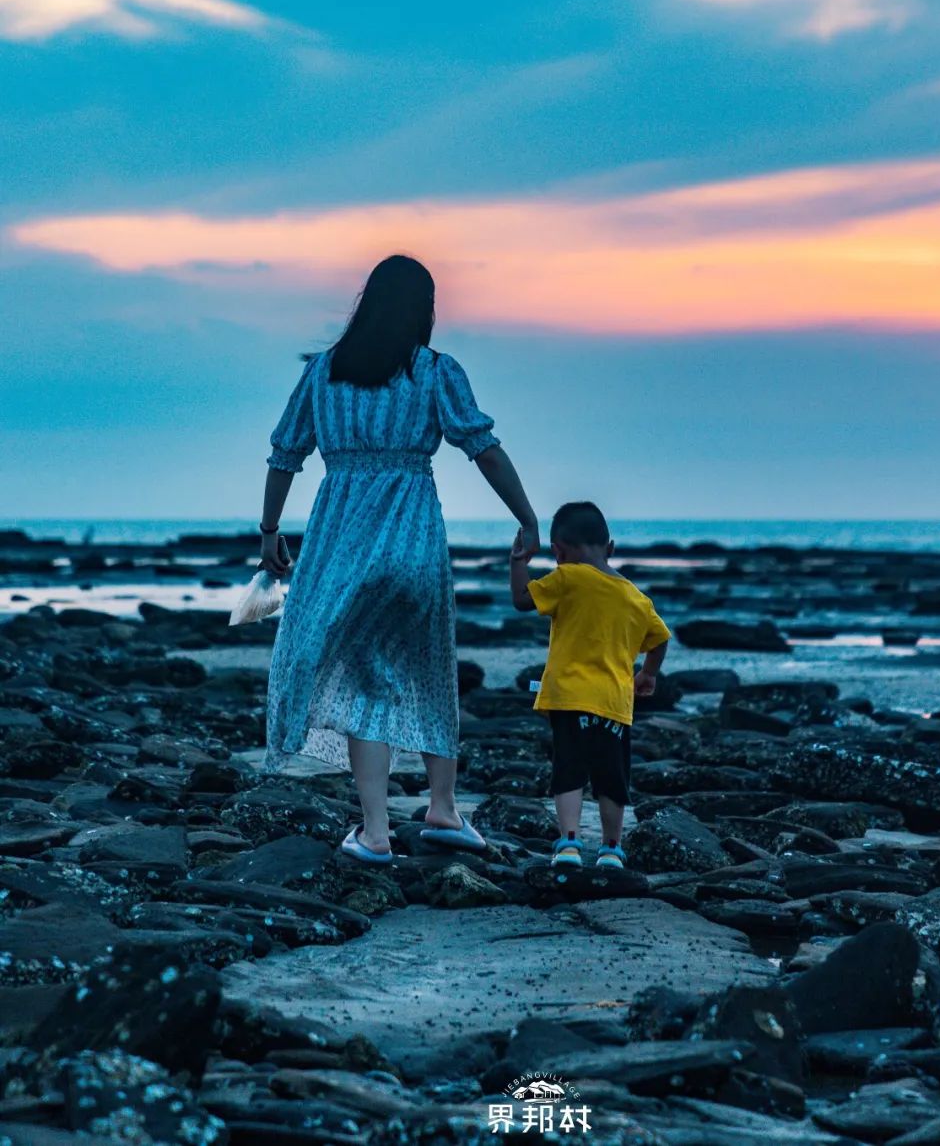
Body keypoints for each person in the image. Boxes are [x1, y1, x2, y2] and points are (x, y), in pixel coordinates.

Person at [258, 254, 539, 865]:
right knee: (430, 668)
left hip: (341, 544)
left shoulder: (323, 372)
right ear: (424, 310)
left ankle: (377, 831)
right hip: (412, 540)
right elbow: (483, 448)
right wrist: (525, 515)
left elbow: (285, 454)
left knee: (362, 683)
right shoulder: (437, 372)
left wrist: (270, 530)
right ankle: (443, 808)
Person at [510, 500, 670, 869]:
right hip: (614, 701)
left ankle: (569, 843)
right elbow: (660, 638)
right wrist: (649, 673)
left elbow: (521, 600)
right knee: (611, 777)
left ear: (558, 552)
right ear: (610, 547)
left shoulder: (567, 578)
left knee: (568, 770)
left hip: (568, 697)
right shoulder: (636, 597)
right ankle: (611, 848)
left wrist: (518, 561)